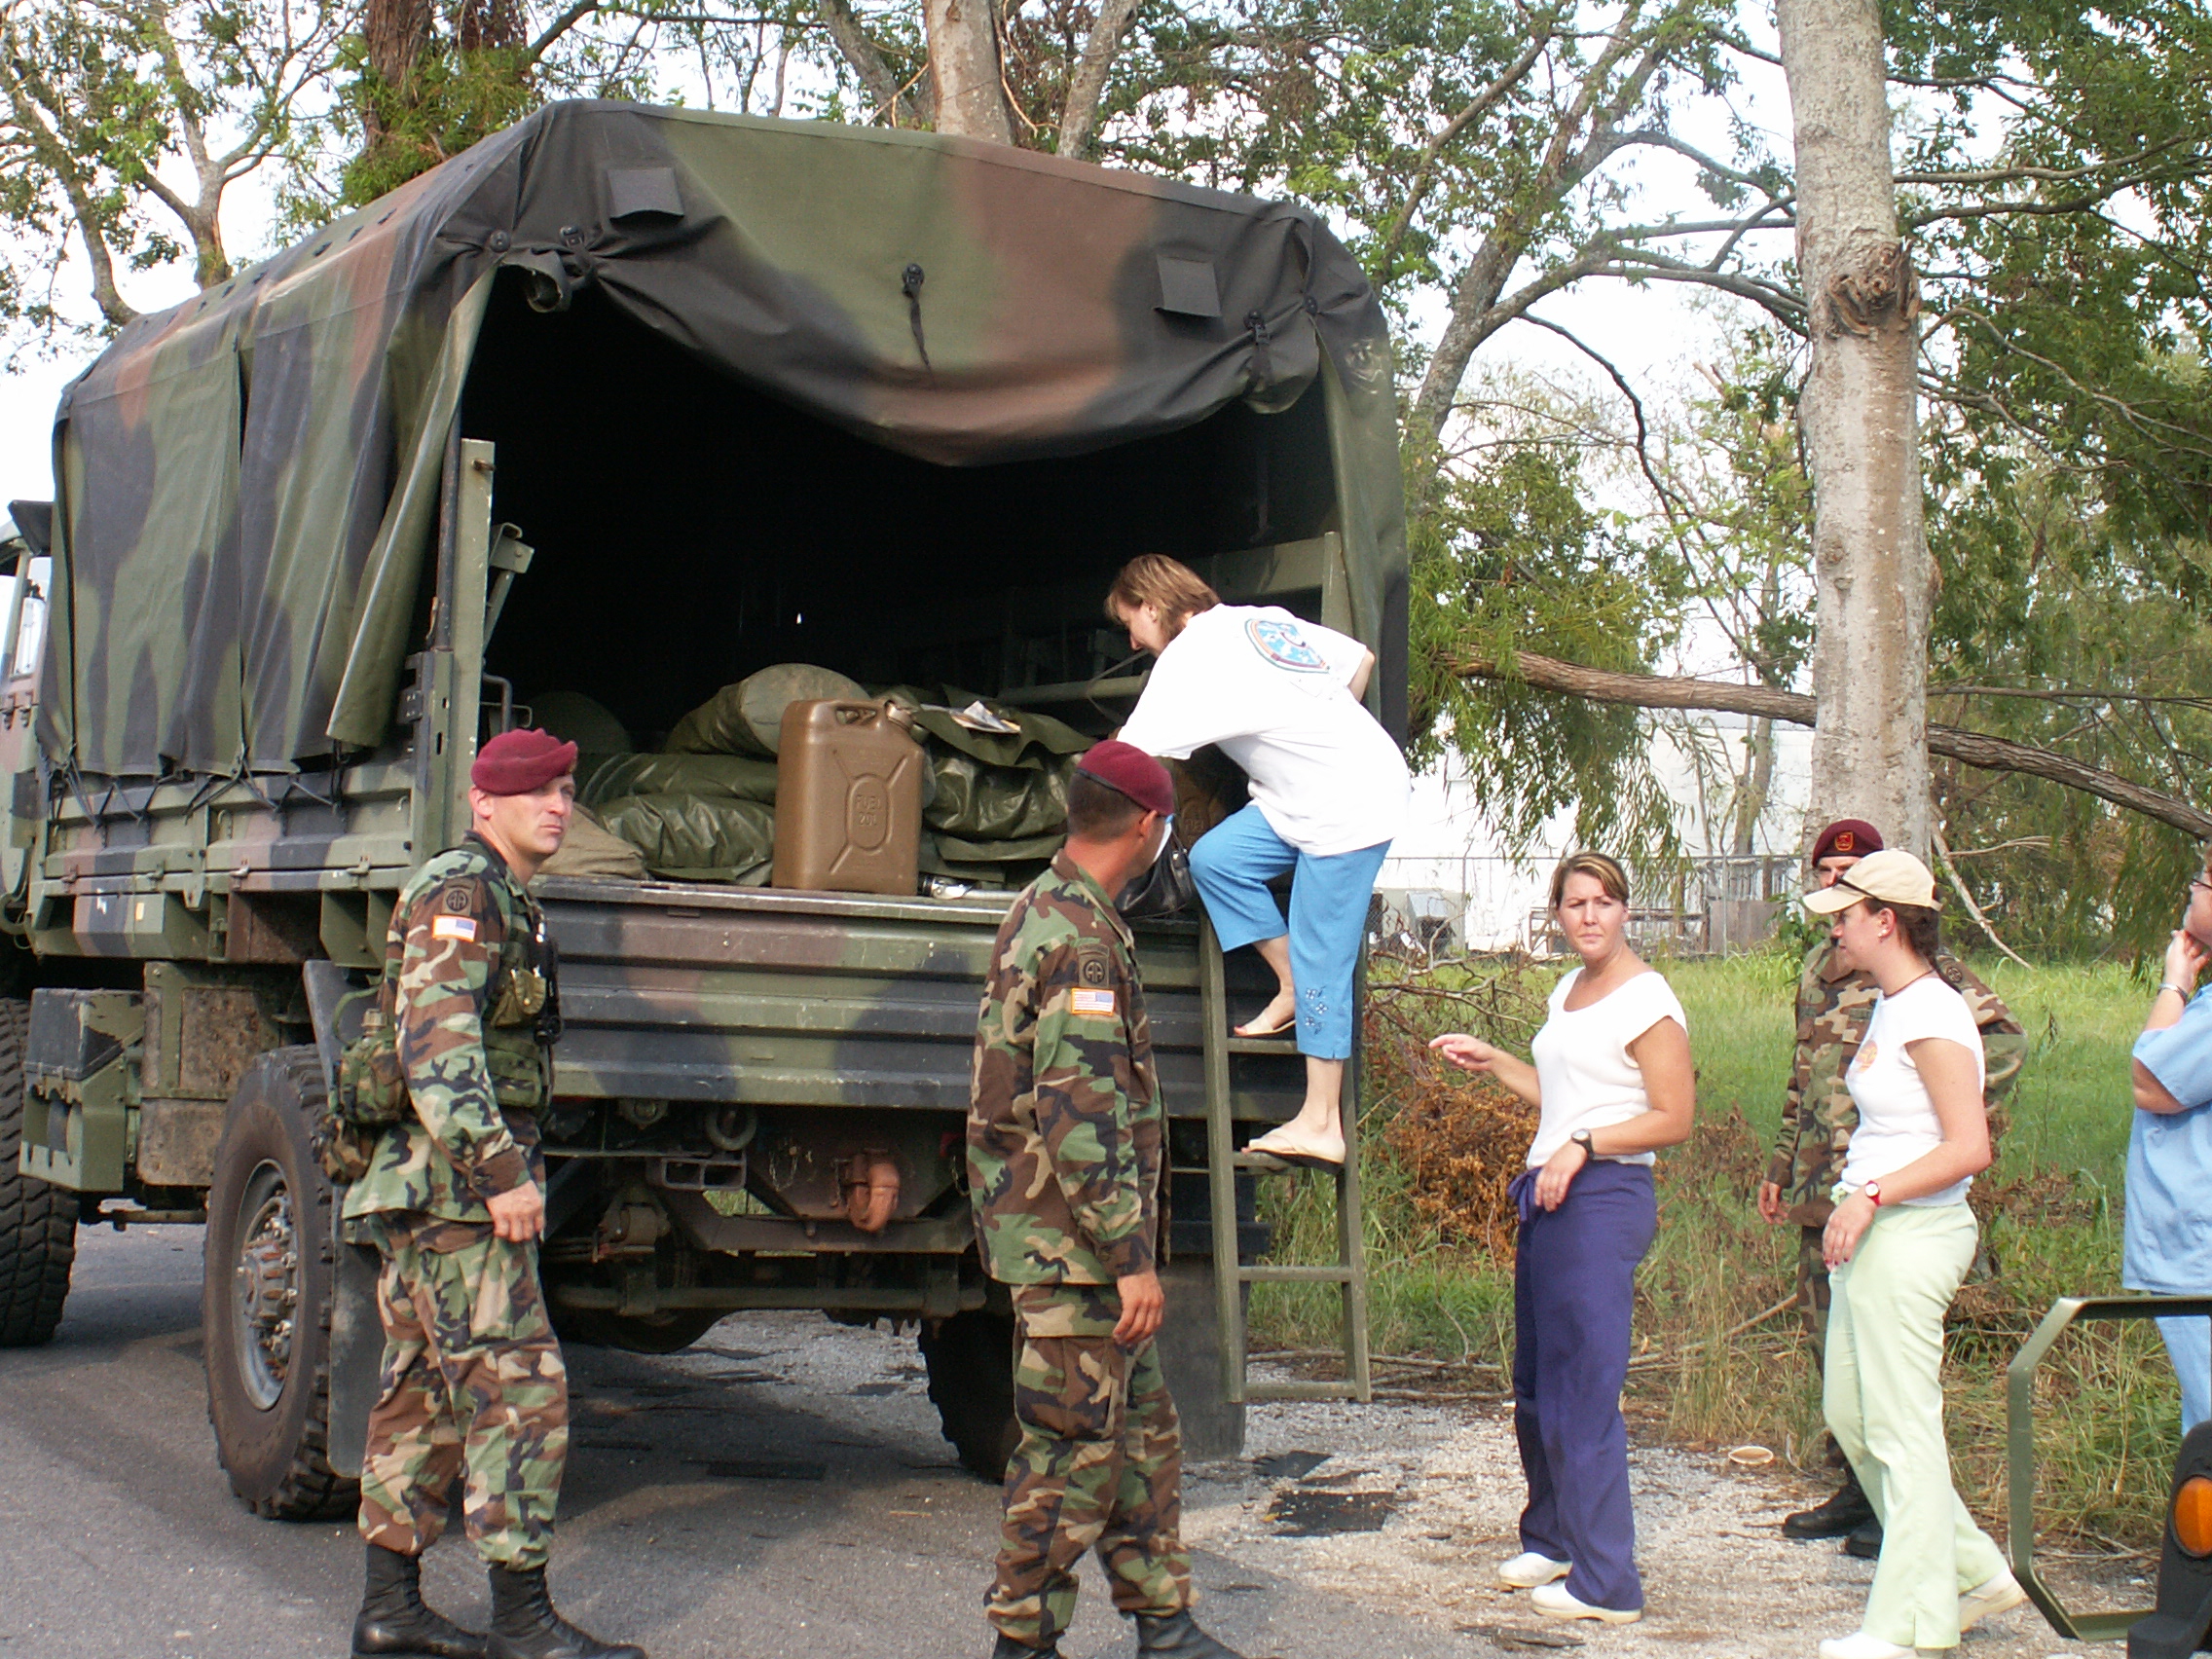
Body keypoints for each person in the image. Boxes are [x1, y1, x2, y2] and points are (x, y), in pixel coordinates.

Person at [344, 728, 645, 1659]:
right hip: (455, 1191)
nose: (557, 805)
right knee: (522, 1392)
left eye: (564, 788)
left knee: (421, 1396)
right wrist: (500, 1172)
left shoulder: (504, 894)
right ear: (484, 803)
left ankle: (390, 1613)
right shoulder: (464, 892)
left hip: (435, 1189)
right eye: (536, 791)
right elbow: (437, 1049)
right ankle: (522, 1624)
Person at [968, 739, 1243, 1659]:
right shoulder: (1079, 940)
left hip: (1077, 1245)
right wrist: (1131, 1259)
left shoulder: (1059, 911)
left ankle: (1164, 1625)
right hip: (1075, 1251)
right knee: (1071, 1453)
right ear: (1148, 825)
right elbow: (1080, 1118)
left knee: (1142, 1439)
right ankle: (1023, 1641)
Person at [1429, 852, 1694, 1626]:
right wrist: (1497, 1062)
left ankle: (1608, 1582)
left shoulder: (1647, 1000)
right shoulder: (1568, 990)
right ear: (1558, 914)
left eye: (1604, 902)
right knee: (1538, 1383)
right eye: (1575, 903)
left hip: (1602, 1196)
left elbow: (1672, 1118)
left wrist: (1583, 1143)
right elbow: (1566, 1095)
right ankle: (1554, 1536)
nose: (1589, 916)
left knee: (1583, 1390)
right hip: (1550, 1189)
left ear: (1624, 911)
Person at [1757, 819, 2025, 1559]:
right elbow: (1800, 1073)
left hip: (1898, 1199)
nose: (1833, 889)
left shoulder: (1928, 988)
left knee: (1894, 1402)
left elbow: (1990, 1066)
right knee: (1840, 1379)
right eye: (1826, 871)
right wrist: (1782, 1166)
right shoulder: (1829, 971)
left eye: (1850, 878)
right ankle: (1871, 1499)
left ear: (1884, 911)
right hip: (1831, 1185)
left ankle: (1920, 1562)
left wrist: (1944, 1119)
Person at [1107, 555, 1410, 1168]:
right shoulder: (1256, 620)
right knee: (1216, 859)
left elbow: (1126, 759)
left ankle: (1322, 1123)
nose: (1133, 640)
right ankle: (1291, 978)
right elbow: (1359, 663)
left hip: (1346, 807)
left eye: (1130, 622)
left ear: (1153, 604)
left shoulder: (1187, 657)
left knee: (1325, 949)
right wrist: (1305, 748)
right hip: (1312, 793)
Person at [2125, 847, 2212, 1433]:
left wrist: (2173, 986)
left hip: (2200, 1256)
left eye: (2201, 882)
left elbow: (2151, 1083)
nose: (2192, 892)